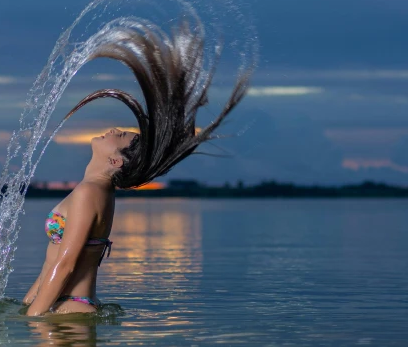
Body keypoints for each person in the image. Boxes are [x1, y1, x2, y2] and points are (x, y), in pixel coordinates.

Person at [23, 21, 255, 316]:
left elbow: (65, 264)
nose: (112, 129)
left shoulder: (90, 192)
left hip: (70, 312)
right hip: (63, 308)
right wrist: (27, 306)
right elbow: (52, 263)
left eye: (119, 136)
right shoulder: (96, 190)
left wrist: (33, 320)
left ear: (115, 161)